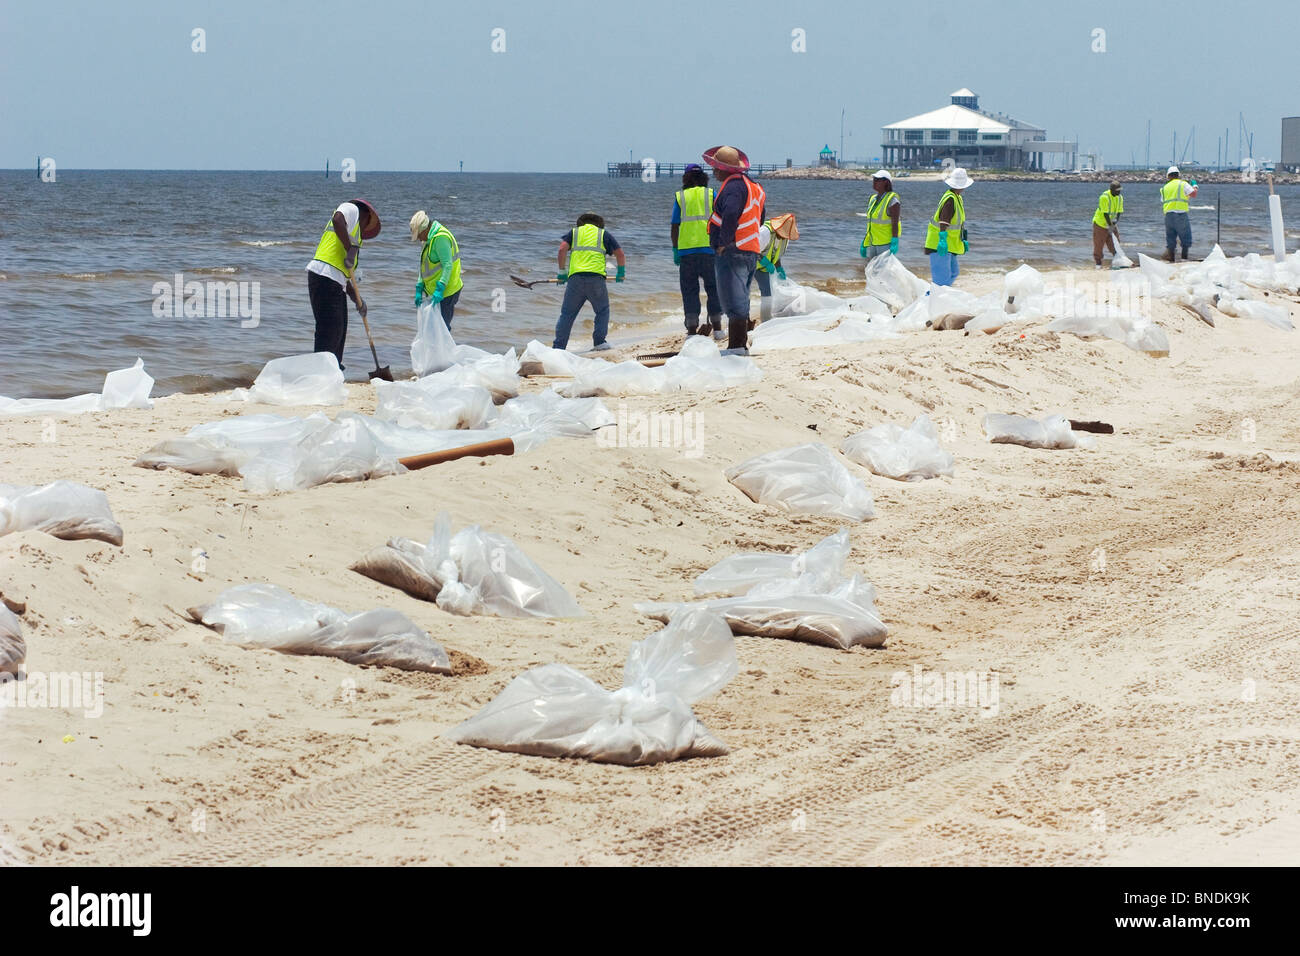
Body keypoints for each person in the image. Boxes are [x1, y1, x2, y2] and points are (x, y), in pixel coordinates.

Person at [704, 144, 766, 354]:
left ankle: (737, 346)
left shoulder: (733, 187)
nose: (713, 171)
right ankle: (739, 344)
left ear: (725, 169)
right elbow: (760, 217)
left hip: (733, 250)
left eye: (715, 167)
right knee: (741, 297)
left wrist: (723, 242)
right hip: (750, 249)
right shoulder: (753, 186)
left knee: (732, 300)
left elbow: (730, 214)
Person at [305, 198, 381, 368]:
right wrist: (350, 247)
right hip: (323, 276)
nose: (363, 230)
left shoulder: (355, 240)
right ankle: (321, 371)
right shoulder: (352, 209)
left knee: (340, 329)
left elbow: (347, 279)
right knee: (329, 330)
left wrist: (358, 300)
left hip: (335, 283)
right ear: (366, 216)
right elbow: (337, 219)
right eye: (366, 225)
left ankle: (334, 367)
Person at [553, 213, 626, 351]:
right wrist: (620, 272)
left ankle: (558, 347)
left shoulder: (574, 232)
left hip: (575, 280)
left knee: (567, 314)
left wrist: (562, 272)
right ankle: (599, 343)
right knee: (602, 311)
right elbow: (620, 254)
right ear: (599, 224)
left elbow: (562, 249)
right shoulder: (603, 234)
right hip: (596, 280)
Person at [671, 164, 724, 340]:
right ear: (704, 177)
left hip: (687, 252)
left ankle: (692, 331)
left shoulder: (681, 197)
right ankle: (717, 329)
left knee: (689, 291)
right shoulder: (712, 194)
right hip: (710, 250)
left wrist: (675, 249)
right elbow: (720, 220)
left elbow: (675, 225)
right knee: (714, 289)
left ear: (685, 178)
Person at [409, 211, 463, 329]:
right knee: (433, 328)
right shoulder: (428, 239)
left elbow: (447, 265)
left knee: (442, 328)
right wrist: (419, 286)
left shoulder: (440, 238)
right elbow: (424, 265)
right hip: (435, 293)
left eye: (418, 235)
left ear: (424, 230)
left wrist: (440, 288)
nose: (418, 238)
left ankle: (444, 348)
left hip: (447, 292)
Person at [923, 167, 973, 287]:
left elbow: (958, 224)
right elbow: (944, 221)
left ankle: (936, 296)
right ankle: (933, 298)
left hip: (949, 244)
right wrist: (942, 240)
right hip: (939, 245)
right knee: (941, 280)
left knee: (954, 272)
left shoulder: (956, 197)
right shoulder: (950, 200)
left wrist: (963, 240)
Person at [755, 213, 799, 322]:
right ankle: (761, 320)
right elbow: (752, 250)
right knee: (748, 291)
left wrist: (779, 268)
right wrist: (765, 262)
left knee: (769, 291)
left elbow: (776, 253)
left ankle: (766, 319)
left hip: (764, 267)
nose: (784, 237)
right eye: (782, 233)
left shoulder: (785, 238)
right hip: (751, 263)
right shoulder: (765, 232)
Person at [860, 170, 901, 261]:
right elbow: (871, 224)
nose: (874, 182)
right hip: (873, 243)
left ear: (886, 182)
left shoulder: (892, 200)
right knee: (874, 271)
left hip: (885, 244)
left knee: (883, 272)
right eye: (874, 179)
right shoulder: (873, 199)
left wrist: (895, 241)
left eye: (877, 180)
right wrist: (865, 242)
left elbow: (895, 223)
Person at [1161, 165, 1198, 261]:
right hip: (1180, 214)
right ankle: (1184, 259)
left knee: (1170, 239)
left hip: (1168, 216)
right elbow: (1193, 194)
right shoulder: (1183, 184)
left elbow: (1164, 200)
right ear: (1178, 175)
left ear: (1168, 176)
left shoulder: (1164, 188)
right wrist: (1195, 186)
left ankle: (1171, 260)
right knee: (1185, 238)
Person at [1092, 181, 1124, 268]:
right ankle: (1098, 264)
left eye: (1120, 190)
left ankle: (1118, 261)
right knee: (1099, 245)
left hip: (1111, 223)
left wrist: (1115, 222)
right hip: (1100, 224)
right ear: (1112, 190)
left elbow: (1119, 212)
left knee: (1116, 243)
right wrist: (1110, 225)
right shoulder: (1104, 197)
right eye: (1117, 190)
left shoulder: (1120, 197)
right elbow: (1105, 213)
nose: (1119, 192)